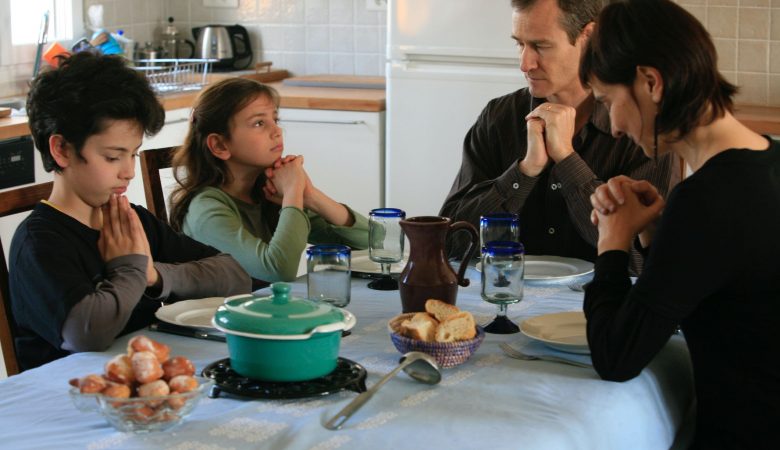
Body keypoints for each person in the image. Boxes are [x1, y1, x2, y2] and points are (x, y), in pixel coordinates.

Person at [580, 1, 780, 448]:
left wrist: (612, 242)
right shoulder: (769, 158)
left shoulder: (708, 198)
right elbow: (719, 293)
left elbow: (615, 357)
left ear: (650, 82)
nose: (612, 126)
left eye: (607, 100)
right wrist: (655, 232)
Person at [10, 52, 252, 371]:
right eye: (113, 157)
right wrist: (131, 269)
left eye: (133, 155)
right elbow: (87, 335)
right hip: (65, 403)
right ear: (62, 150)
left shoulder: (131, 219)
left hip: (143, 388)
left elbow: (235, 277)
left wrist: (154, 275)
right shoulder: (39, 242)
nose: (129, 172)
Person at [439, 0, 679, 274]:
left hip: (596, 308)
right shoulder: (499, 117)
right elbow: (451, 243)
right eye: (520, 44)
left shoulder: (643, 127)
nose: (525, 63)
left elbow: (640, 264)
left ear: (589, 37)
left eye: (540, 46)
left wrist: (567, 160)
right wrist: (524, 172)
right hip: (505, 300)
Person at [168, 78, 369, 282]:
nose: (277, 131)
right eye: (259, 123)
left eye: (275, 120)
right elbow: (278, 271)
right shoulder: (206, 210)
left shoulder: (266, 192)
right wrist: (292, 192)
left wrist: (310, 195)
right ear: (220, 145)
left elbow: (373, 243)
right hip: (217, 313)